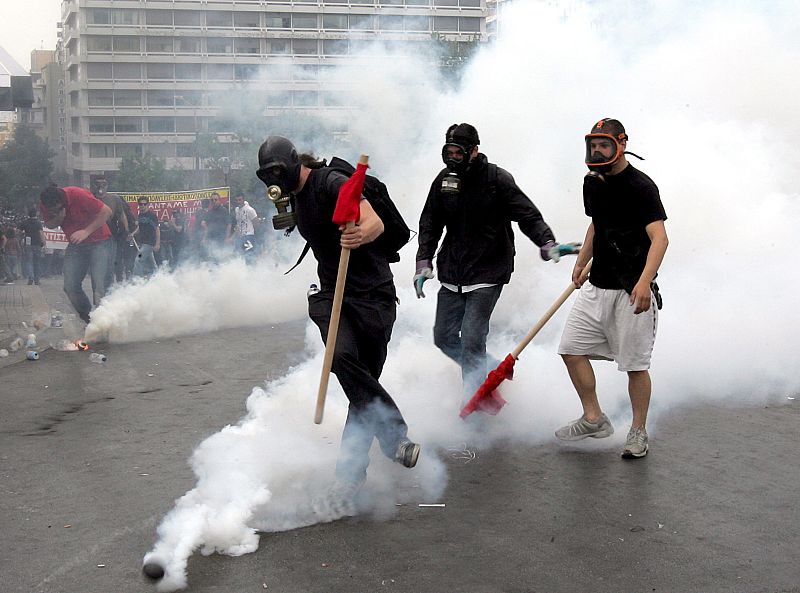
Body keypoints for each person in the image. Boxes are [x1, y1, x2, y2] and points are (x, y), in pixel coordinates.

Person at [255, 135, 421, 496]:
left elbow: (373, 222)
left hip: (373, 295)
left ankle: (349, 476)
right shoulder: (290, 195)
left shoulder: (330, 182)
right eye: (266, 174)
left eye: (276, 171)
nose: (273, 179)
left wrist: (358, 235)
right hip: (332, 293)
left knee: (364, 386)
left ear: (293, 162)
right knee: (341, 356)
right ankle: (394, 437)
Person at [415, 123, 579, 402]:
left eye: (459, 152)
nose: (453, 157)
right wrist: (423, 261)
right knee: (443, 337)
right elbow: (430, 222)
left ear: (475, 151)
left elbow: (528, 215)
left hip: (488, 271)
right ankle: (488, 368)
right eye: (449, 151)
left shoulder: (497, 180)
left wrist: (547, 243)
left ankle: (475, 401)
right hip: (453, 271)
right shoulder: (444, 181)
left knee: (471, 339)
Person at [555, 118, 669, 459]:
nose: (598, 150)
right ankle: (594, 418)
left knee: (635, 366)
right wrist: (581, 260)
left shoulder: (641, 187)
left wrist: (645, 281)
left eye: (604, 144)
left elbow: (660, 239)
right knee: (570, 350)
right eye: (594, 145)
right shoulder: (593, 183)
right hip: (596, 285)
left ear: (621, 143)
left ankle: (638, 431)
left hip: (632, 291)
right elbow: (596, 224)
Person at [39, 184, 112, 323]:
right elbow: (49, 224)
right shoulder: (46, 203)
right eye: (51, 211)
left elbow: (106, 212)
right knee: (70, 286)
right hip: (76, 244)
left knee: (99, 285)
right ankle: (88, 319)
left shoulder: (78, 195)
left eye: (56, 209)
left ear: (63, 202)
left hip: (99, 241)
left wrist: (86, 231)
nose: (52, 212)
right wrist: (59, 217)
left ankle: (104, 323)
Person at [92, 174, 129, 288]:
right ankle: (99, 294)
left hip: (111, 237)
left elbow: (122, 215)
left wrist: (126, 231)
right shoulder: (90, 198)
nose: (101, 186)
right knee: (96, 267)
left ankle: (110, 291)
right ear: (94, 185)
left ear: (107, 185)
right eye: (98, 184)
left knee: (111, 265)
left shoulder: (114, 199)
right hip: (94, 237)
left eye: (104, 184)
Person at [132, 196, 160, 277]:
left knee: (138, 259)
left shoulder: (152, 215)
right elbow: (139, 228)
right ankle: (159, 277)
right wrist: (133, 233)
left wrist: (157, 244)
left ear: (148, 205)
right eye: (141, 204)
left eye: (145, 204)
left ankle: (137, 280)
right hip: (143, 243)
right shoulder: (140, 215)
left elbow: (157, 229)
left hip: (150, 243)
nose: (142, 206)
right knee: (152, 264)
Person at [19, 206, 46, 285]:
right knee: (37, 262)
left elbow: (19, 232)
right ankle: (37, 280)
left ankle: (30, 277)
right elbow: (41, 233)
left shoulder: (25, 222)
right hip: (37, 244)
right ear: (36, 213)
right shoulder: (38, 223)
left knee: (29, 261)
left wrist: (23, 236)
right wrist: (44, 243)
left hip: (28, 244)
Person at [201, 192, 231, 260]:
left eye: (215, 199)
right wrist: (204, 238)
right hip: (211, 240)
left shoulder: (224, 211)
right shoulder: (210, 212)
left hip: (221, 239)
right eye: (212, 200)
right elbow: (206, 226)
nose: (214, 201)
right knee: (212, 258)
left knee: (221, 258)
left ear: (219, 200)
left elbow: (229, 225)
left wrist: (227, 238)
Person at [232, 194, 258, 264]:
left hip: (249, 236)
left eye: (240, 200)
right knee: (239, 255)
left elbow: (256, 222)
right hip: (240, 237)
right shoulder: (237, 210)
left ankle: (252, 270)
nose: (238, 201)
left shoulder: (250, 210)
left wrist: (253, 233)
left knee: (249, 255)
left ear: (243, 200)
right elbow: (238, 223)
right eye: (237, 200)